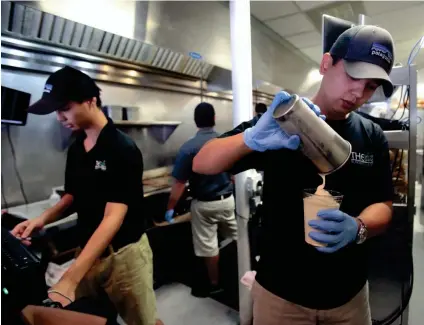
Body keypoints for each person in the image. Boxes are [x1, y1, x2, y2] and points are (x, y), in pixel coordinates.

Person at [193, 25, 395, 325]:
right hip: (281, 297)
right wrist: (250, 138)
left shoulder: (371, 135)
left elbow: (384, 204)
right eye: (353, 76)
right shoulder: (283, 123)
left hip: (349, 298)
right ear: (327, 64)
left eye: (369, 87)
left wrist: (359, 225)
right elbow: (202, 163)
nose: (358, 93)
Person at [11, 66, 161, 325]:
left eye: (65, 108)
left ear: (90, 101)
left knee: (142, 321)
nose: (59, 117)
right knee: (96, 317)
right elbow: (72, 196)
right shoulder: (77, 148)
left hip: (123, 257)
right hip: (89, 252)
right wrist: (41, 220)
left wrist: (71, 276)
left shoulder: (121, 148)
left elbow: (113, 216)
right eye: (57, 111)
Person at [164, 102, 237, 294]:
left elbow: (179, 183)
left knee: (209, 247)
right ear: (213, 119)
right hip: (227, 200)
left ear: (196, 121)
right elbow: (235, 175)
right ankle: (242, 273)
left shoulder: (188, 148)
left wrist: (170, 208)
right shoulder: (225, 141)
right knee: (238, 238)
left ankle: (215, 284)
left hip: (203, 206)